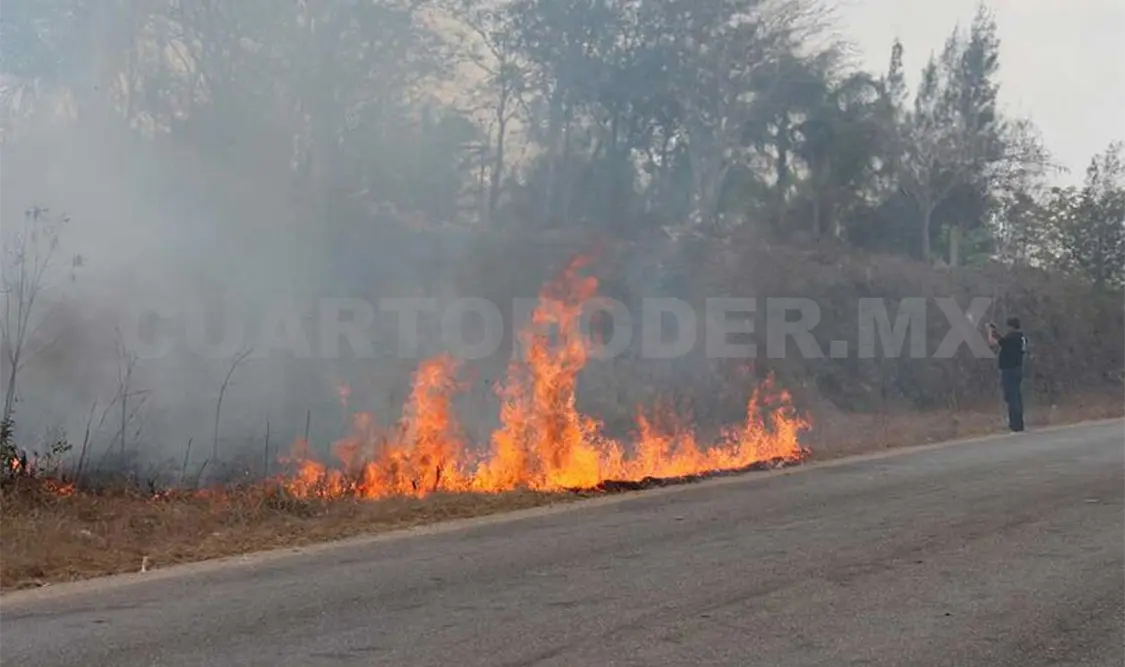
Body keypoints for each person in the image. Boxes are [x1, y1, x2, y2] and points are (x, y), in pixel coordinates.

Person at [987, 317, 1028, 432]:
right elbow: (1003, 341)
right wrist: (996, 333)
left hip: (1010, 370)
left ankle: (1015, 424)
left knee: (1011, 396)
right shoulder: (1020, 336)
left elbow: (993, 343)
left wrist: (990, 332)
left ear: (1010, 326)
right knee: (1016, 396)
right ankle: (1018, 423)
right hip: (1017, 369)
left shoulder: (1012, 337)